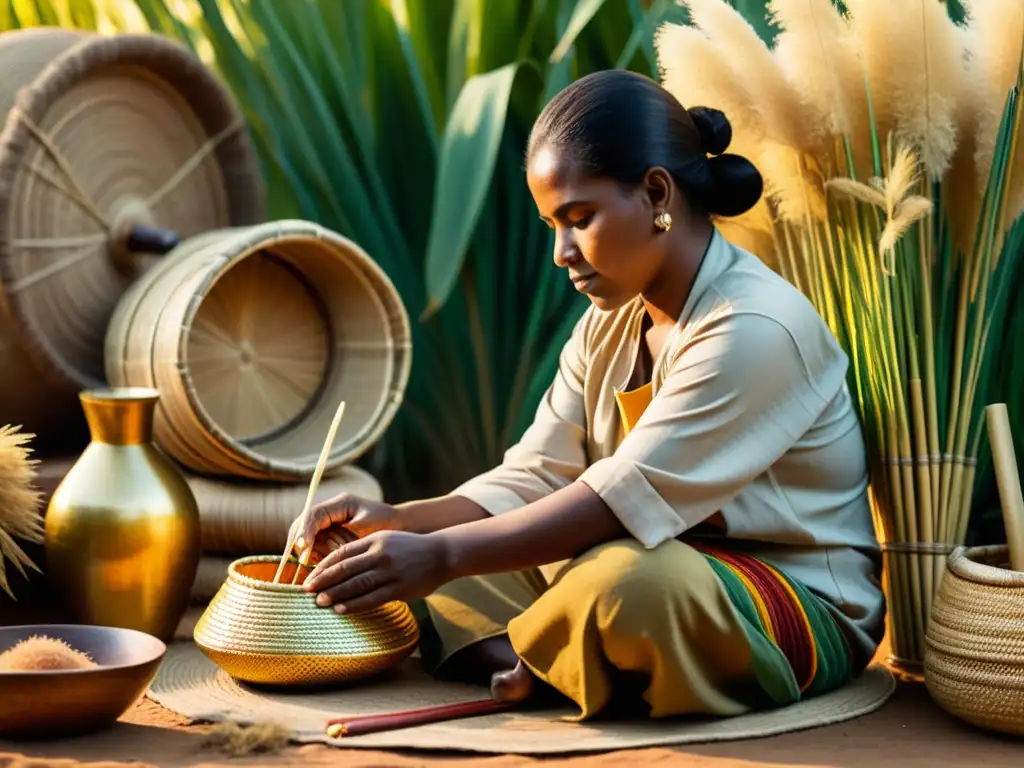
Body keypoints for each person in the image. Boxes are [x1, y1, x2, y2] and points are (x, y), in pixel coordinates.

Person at [293, 69, 885, 721]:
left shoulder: (755, 326)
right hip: (639, 550)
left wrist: (439, 554)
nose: (561, 252)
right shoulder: (610, 320)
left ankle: (552, 659)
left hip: (776, 597)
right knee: (471, 567)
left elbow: (616, 498)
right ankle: (562, 662)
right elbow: (537, 474)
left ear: (656, 192)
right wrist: (406, 522)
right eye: (552, 224)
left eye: (580, 218)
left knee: (626, 584)